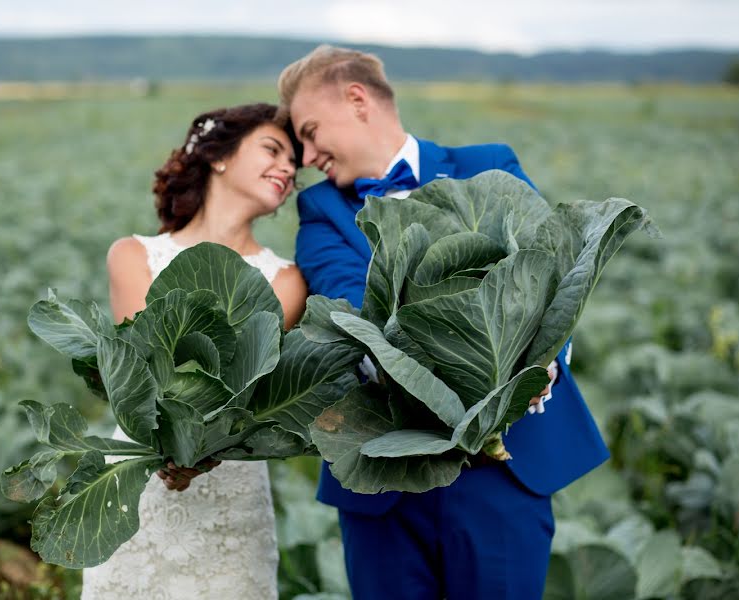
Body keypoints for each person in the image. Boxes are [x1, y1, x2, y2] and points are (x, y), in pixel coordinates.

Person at [278, 45, 609, 599]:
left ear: (357, 100)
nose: (307, 155)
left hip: (504, 467)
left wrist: (543, 358)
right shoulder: (322, 214)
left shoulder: (489, 164)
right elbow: (351, 302)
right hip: (382, 474)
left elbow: (546, 273)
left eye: (310, 131)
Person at [81, 103, 306, 600]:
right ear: (219, 157)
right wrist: (171, 449)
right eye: (273, 150)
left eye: (295, 162)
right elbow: (145, 375)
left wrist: (195, 453)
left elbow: (242, 385)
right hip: (139, 482)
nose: (288, 168)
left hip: (230, 489)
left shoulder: (288, 280)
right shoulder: (133, 255)